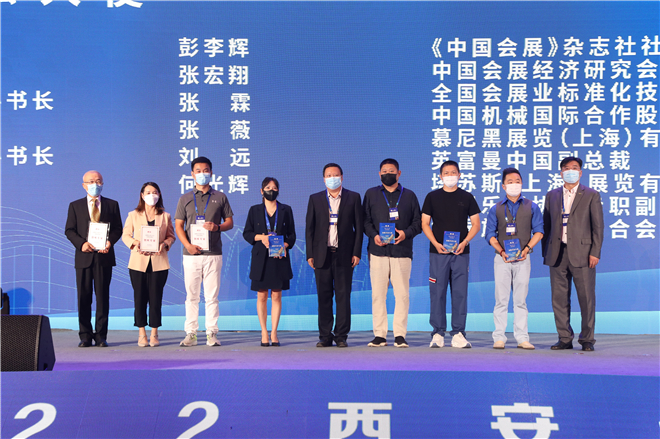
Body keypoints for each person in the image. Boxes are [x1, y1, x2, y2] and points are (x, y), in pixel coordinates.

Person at [542, 157, 603, 352]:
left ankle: (587, 339)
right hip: (557, 254)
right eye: (567, 168)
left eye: (574, 168)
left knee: (586, 299)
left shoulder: (591, 195)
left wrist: (595, 252)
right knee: (559, 299)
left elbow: (598, 227)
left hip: (583, 254)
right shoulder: (552, 195)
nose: (570, 171)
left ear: (580, 172)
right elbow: (546, 225)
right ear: (561, 173)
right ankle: (564, 338)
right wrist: (546, 252)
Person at [175, 157, 234, 347]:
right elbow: (178, 226)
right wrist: (188, 245)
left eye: (206, 170)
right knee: (192, 296)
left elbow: (229, 222)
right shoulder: (185, 198)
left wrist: (217, 227)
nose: (202, 174)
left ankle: (211, 333)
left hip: (213, 253)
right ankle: (191, 333)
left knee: (212, 296)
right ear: (192, 174)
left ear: (211, 173)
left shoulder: (220, 197)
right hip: (191, 254)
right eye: (198, 171)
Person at [421, 160, 480, 349]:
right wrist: (436, 243)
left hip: (460, 253)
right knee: (437, 293)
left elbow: (476, 224)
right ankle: (438, 333)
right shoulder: (432, 197)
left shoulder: (467, 197)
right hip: (438, 253)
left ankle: (458, 333)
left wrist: (464, 242)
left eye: (453, 172)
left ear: (459, 175)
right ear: (440, 176)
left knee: (460, 293)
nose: (450, 176)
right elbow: (424, 224)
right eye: (446, 173)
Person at [363, 159, 421, 348]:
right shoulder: (371, 194)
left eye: (392, 171)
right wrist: (374, 235)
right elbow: (365, 221)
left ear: (399, 173)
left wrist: (405, 233)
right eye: (384, 171)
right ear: (379, 174)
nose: (388, 174)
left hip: (402, 252)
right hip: (378, 251)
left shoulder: (409, 195)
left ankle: (399, 335)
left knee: (402, 295)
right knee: (378, 295)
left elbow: (418, 223)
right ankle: (379, 335)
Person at [484, 168, 543, 350]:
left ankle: (522, 337)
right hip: (501, 259)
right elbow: (490, 234)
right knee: (501, 300)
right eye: (510, 182)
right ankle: (499, 337)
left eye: (517, 181)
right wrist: (501, 251)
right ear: (503, 186)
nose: (514, 184)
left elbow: (539, 231)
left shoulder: (532, 206)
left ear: (522, 183)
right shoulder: (496, 208)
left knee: (520, 301)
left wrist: (527, 249)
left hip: (523, 259)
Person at [306, 163, 363, 348]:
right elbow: (310, 229)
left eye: (335, 175)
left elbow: (359, 228)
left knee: (343, 296)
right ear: (324, 179)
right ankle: (324, 335)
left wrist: (356, 252)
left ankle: (341, 335)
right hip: (322, 255)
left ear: (342, 177)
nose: (332, 178)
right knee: (323, 296)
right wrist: (310, 254)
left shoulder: (353, 197)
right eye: (329, 175)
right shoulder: (315, 199)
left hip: (344, 254)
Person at [64, 170, 122, 347]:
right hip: (84, 257)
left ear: (103, 184)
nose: (95, 185)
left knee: (103, 298)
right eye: (91, 181)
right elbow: (69, 230)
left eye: (98, 181)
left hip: (104, 257)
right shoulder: (75, 206)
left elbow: (118, 229)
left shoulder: (112, 205)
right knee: (84, 297)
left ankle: (101, 335)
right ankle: (85, 335)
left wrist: (109, 242)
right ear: (84, 185)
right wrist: (81, 243)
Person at [243, 177, 296, 347]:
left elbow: (292, 235)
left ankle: (274, 332)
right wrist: (261, 237)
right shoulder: (254, 210)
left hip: (279, 257)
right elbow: (247, 233)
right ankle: (264, 332)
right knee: (262, 295)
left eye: (274, 188)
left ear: (278, 191)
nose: (271, 191)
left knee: (277, 295)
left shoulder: (286, 209)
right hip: (261, 258)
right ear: (261, 191)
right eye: (267, 188)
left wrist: (285, 245)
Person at [122, 182, 176, 347]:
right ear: (142, 195)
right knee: (139, 298)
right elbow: (125, 235)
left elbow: (171, 236)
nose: (152, 195)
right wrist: (135, 243)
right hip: (138, 263)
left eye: (155, 192)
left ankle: (154, 333)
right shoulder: (133, 215)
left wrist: (164, 244)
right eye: (148, 192)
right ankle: (141, 333)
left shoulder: (165, 216)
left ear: (159, 195)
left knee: (156, 299)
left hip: (159, 263)